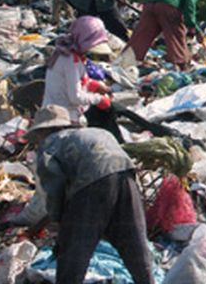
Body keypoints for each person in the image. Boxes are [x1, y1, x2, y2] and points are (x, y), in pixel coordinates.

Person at [27, 105, 154, 284]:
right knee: (134, 242)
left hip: (92, 182)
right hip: (126, 177)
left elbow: (54, 187)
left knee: (75, 250)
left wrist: (58, 219)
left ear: (44, 130)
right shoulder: (94, 133)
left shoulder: (50, 144)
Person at [127, 0, 206, 71]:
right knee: (176, 34)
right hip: (168, 6)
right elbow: (190, 6)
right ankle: (181, 66)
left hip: (150, 5)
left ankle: (125, 62)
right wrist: (196, 30)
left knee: (141, 36)